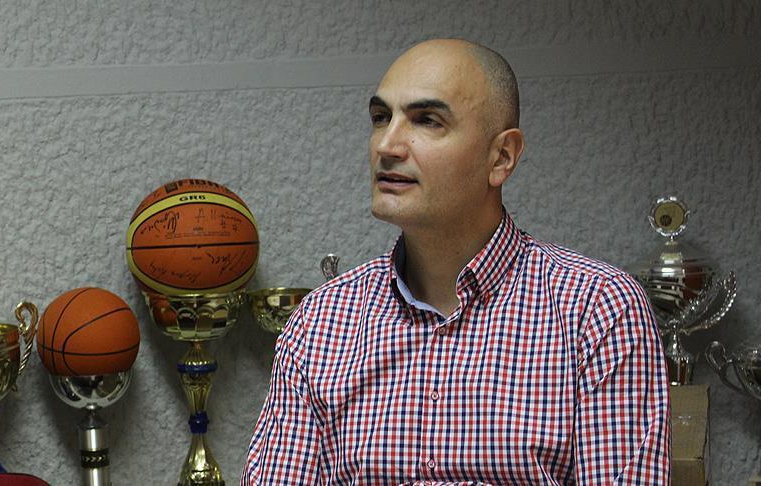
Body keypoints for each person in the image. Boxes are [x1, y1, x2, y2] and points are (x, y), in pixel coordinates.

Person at [242, 38, 670, 485]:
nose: (387, 145)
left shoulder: (596, 310)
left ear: (501, 157)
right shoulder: (322, 322)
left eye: (427, 121)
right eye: (381, 118)